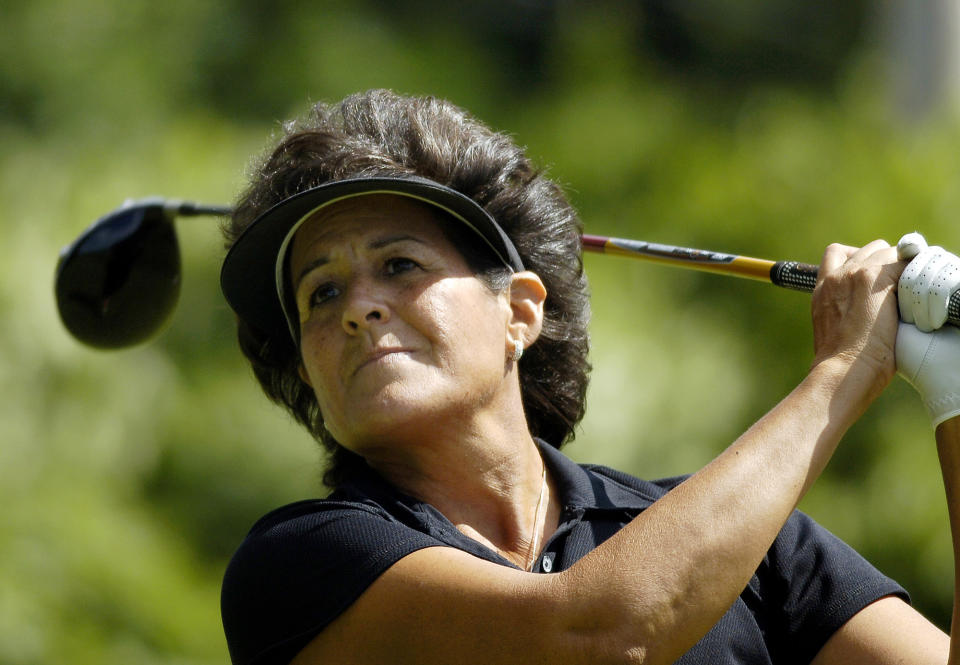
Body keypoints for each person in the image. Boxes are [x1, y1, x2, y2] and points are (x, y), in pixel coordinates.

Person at [218, 89, 960, 665]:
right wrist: (844, 368)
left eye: (399, 265)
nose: (358, 309)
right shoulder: (301, 564)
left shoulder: (762, 548)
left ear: (519, 311)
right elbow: (598, 636)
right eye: (321, 293)